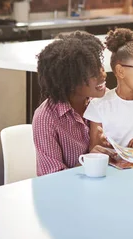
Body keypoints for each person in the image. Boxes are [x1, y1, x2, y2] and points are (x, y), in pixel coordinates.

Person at [32, 31, 110, 176]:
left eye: (100, 67)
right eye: (93, 74)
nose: (103, 75)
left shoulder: (107, 100)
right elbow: (52, 178)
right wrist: (89, 160)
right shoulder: (46, 119)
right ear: (71, 81)